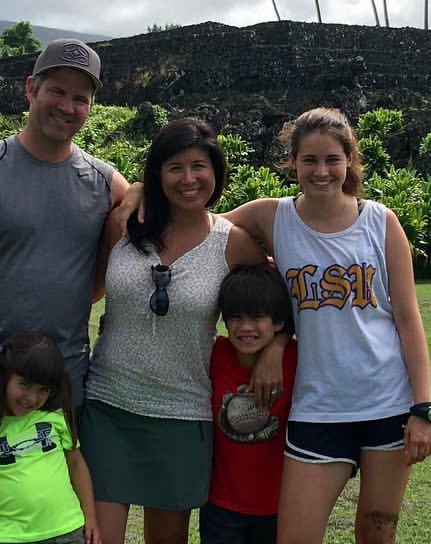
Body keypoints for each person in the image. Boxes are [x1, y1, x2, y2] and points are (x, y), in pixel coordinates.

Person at [111, 106, 431, 543]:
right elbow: (200, 222)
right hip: (317, 405)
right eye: (310, 160)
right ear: (293, 163)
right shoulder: (272, 216)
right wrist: (140, 191)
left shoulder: (380, 222)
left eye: (332, 160)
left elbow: (407, 318)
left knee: (377, 527)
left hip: (386, 401)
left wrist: (422, 406)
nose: (321, 171)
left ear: (350, 162)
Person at [0, 38, 129, 544]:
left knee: (59, 523)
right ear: (31, 89)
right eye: (57, 91)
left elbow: (177, 215)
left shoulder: (101, 180)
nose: (68, 107)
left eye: (81, 98)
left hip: (60, 391)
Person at [79, 117, 277, 544]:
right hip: (109, 407)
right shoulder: (124, 224)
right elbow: (89, 291)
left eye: (198, 166)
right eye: (175, 167)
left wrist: (277, 348)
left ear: (216, 174)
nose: (188, 179)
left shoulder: (233, 242)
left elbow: (275, 305)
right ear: (157, 174)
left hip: (182, 416)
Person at [0, 332, 100, 544]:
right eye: (25, 385)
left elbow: (76, 464)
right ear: (4, 376)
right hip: (13, 537)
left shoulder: (54, 417)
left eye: (43, 390)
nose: (32, 398)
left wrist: (90, 517)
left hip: (68, 531)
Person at [201, 263, 298, 544]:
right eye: (235, 317)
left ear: (279, 322)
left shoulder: (296, 359)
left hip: (279, 505)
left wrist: (278, 348)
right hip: (221, 505)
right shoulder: (214, 354)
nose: (245, 327)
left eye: (257, 317)